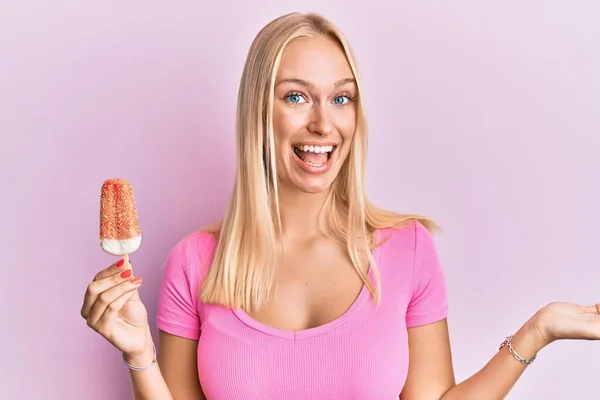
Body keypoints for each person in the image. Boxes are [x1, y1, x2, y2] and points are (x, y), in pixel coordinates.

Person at [81, 11, 600, 400]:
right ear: (257, 111)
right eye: (296, 97)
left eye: (341, 98)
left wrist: (539, 330)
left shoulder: (409, 249)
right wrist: (140, 358)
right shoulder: (194, 264)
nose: (324, 125)